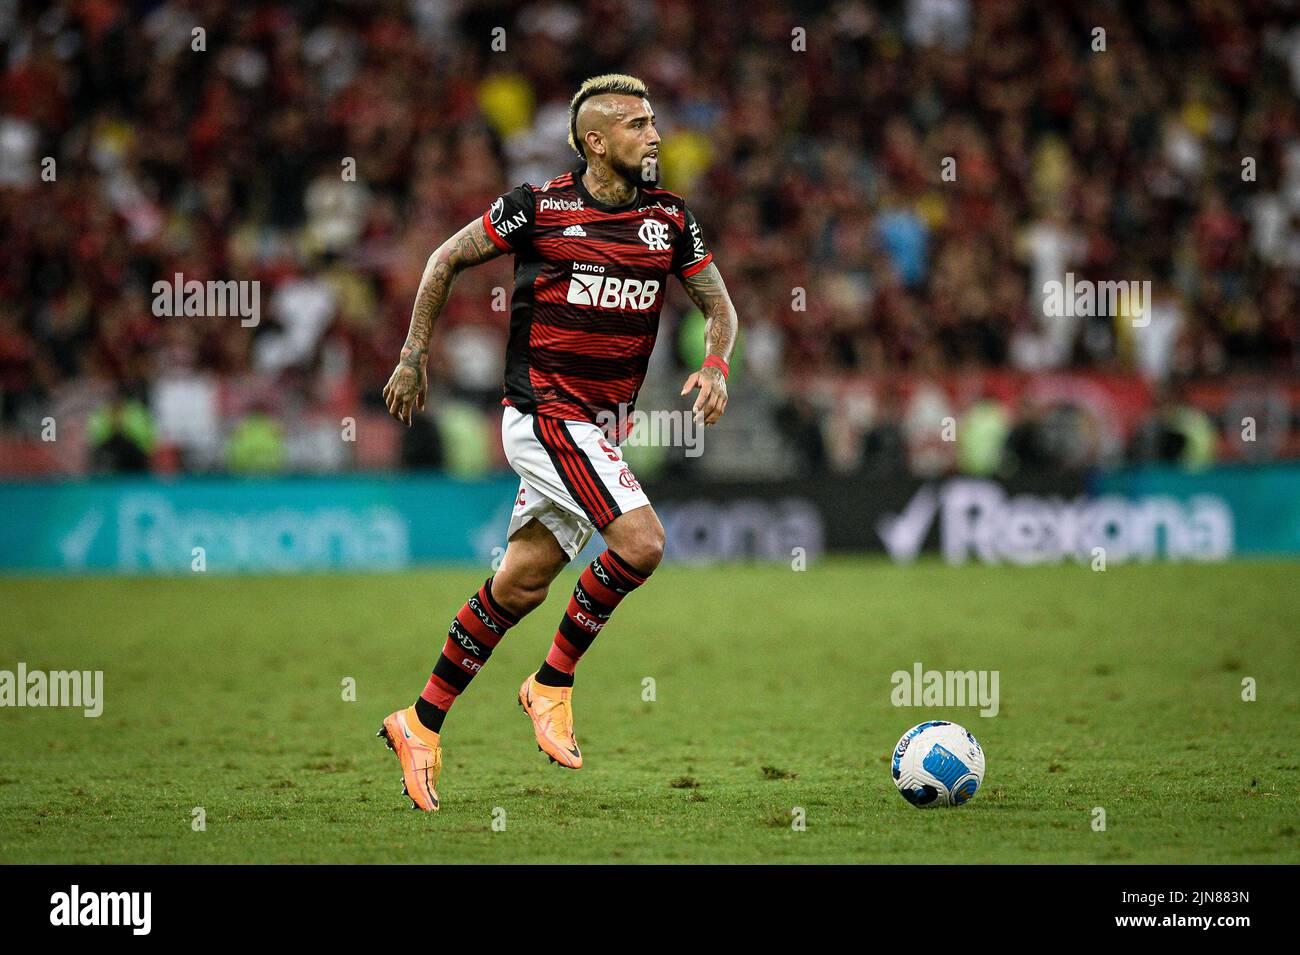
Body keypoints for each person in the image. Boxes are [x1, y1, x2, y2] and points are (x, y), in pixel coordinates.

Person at [377, 75, 738, 811]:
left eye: (655, 122)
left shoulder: (670, 220)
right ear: (596, 142)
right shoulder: (538, 208)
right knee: (642, 543)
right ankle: (551, 682)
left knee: (521, 583)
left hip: (601, 429)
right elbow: (442, 259)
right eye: (638, 124)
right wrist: (414, 355)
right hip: (545, 414)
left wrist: (714, 364)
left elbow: (719, 305)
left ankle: (419, 720)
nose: (656, 135)